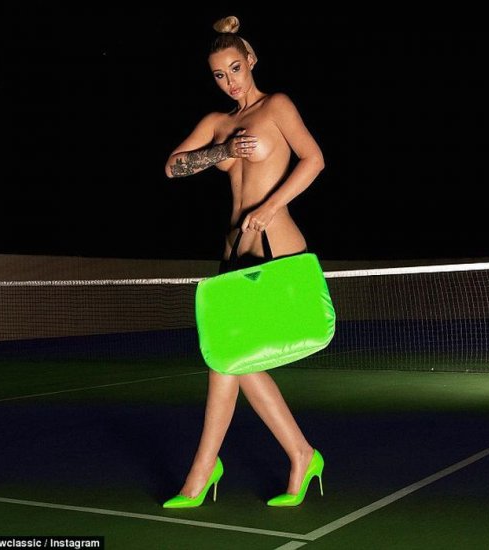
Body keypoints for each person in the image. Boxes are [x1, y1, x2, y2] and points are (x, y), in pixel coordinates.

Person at [162, 16, 325, 508]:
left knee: (227, 359)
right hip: (234, 250)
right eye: (219, 74)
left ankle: (202, 471)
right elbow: (173, 167)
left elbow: (314, 160)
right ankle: (301, 454)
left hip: (275, 244)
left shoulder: (277, 106)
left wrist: (270, 207)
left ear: (251, 60)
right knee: (230, 359)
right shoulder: (218, 124)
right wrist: (224, 150)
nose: (230, 81)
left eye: (235, 68)